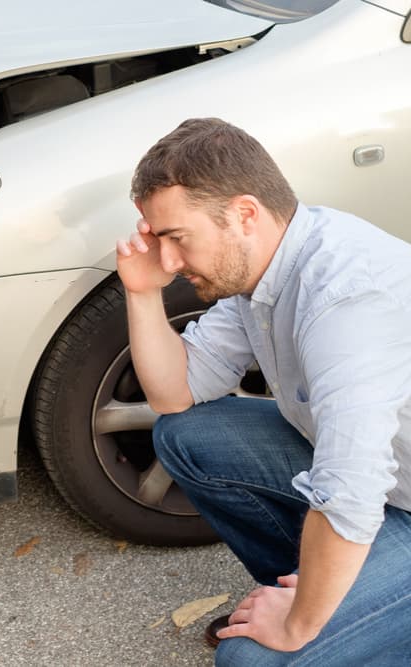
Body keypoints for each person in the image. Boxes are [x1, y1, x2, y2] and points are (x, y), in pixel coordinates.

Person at [116, 117, 411, 665]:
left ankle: (355, 622)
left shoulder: (346, 300)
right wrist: (141, 293)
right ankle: (312, 588)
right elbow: (174, 394)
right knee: (188, 434)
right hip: (388, 482)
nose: (170, 261)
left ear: (244, 214)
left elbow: (349, 494)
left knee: (255, 659)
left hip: (386, 497)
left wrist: (298, 625)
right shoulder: (267, 266)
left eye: (177, 238)